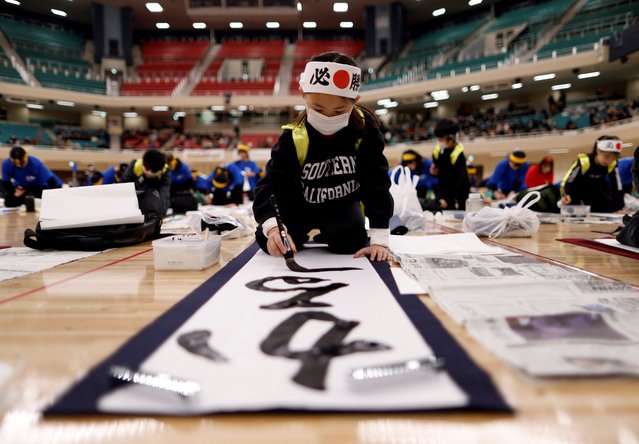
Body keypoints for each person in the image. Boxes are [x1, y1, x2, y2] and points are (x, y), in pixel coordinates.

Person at [252, 51, 393, 261]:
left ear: (355, 100)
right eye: (317, 108)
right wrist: (273, 228)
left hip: (341, 205)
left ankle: (328, 232)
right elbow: (270, 186)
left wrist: (380, 239)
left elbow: (376, 183)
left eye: (338, 111)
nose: (327, 118)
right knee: (272, 243)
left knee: (350, 242)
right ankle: (303, 231)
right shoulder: (293, 136)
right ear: (303, 94)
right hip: (298, 205)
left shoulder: (366, 132)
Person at [560, 135, 624, 213]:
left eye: (613, 158)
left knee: (608, 200)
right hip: (577, 190)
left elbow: (617, 186)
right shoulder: (584, 161)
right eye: (606, 157)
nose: (609, 161)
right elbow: (568, 180)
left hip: (594, 190)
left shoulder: (612, 164)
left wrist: (619, 207)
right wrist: (566, 195)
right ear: (598, 150)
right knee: (571, 204)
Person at [429, 119, 470, 210]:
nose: (438, 140)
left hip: (460, 191)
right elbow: (438, 172)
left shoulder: (458, 154)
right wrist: (433, 172)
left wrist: (447, 198)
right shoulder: (437, 150)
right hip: (443, 188)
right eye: (438, 137)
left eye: (441, 138)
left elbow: (458, 180)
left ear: (451, 138)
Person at [121, 149, 171, 220]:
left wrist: (160, 215)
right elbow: (123, 189)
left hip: (152, 200)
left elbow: (164, 195)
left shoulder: (165, 172)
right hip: (135, 200)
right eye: (147, 169)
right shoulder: (135, 166)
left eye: (153, 172)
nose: (149, 173)